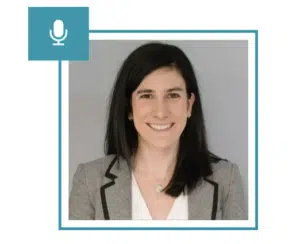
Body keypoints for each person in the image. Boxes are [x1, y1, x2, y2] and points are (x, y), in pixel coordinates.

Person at [69, 42, 246, 220]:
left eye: (173, 95)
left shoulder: (226, 179)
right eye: (146, 95)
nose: (161, 112)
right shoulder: (89, 180)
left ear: (189, 105)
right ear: (129, 108)